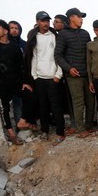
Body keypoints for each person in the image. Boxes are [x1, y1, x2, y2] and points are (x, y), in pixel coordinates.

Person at [23, 11, 65, 145]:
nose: (46, 23)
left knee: (56, 106)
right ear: (37, 22)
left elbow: (59, 56)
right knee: (43, 106)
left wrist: (58, 75)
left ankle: (60, 132)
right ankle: (45, 130)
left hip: (53, 77)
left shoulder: (54, 36)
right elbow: (33, 57)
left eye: (47, 20)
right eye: (43, 20)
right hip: (40, 78)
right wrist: (34, 76)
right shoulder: (34, 37)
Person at [55, 7, 94, 136]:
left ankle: (88, 126)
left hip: (87, 74)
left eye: (82, 17)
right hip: (73, 75)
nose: (81, 20)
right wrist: (69, 68)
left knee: (91, 101)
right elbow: (58, 55)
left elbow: (89, 53)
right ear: (71, 17)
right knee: (78, 103)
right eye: (79, 17)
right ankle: (81, 129)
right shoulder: (63, 34)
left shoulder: (85, 33)